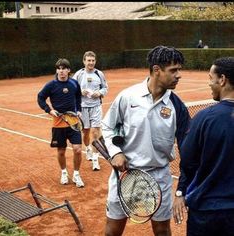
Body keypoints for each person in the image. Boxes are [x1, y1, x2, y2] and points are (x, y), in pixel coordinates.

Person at [101, 45, 190, 236]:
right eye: (173, 70)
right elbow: (107, 126)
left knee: (162, 231)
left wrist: (181, 189)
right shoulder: (127, 96)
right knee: (112, 231)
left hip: (159, 176)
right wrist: (115, 152)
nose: (178, 75)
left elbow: (188, 151)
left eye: (179, 70)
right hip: (125, 175)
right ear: (156, 70)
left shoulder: (177, 106)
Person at [173, 57, 234, 236]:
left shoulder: (204, 118)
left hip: (207, 211)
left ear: (222, 80)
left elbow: (188, 162)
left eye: (210, 78)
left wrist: (180, 192)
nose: (209, 83)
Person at [37, 58, 84, 187]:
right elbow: (40, 97)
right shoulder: (51, 85)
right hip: (58, 123)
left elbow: (78, 97)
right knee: (61, 151)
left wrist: (78, 110)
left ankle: (76, 174)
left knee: (78, 149)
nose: (61, 71)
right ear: (57, 70)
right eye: (59, 68)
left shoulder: (74, 84)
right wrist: (49, 110)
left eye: (64, 68)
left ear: (69, 70)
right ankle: (64, 173)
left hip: (73, 122)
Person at [73, 51, 108, 171]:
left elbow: (105, 87)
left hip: (96, 106)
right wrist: (80, 92)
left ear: (95, 61)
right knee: (86, 132)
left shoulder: (99, 74)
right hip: (83, 108)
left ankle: (95, 159)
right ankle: (87, 148)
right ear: (84, 61)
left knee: (95, 132)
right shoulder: (78, 74)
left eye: (93, 61)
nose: (91, 63)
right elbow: (73, 89)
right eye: (88, 60)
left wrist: (100, 93)